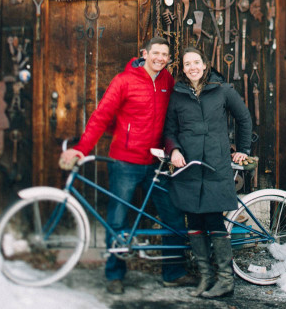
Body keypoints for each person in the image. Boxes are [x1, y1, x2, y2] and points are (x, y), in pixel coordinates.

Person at [58, 37, 193, 294]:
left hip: (157, 163)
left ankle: (173, 273)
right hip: (124, 162)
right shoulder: (124, 80)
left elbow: (173, 118)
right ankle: (114, 275)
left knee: (173, 216)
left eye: (165, 55)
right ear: (144, 53)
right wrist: (81, 149)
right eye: (156, 53)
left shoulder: (167, 81)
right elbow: (101, 117)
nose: (160, 58)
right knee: (117, 220)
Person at [163, 46, 253, 298]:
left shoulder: (222, 90)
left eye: (196, 62)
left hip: (215, 165)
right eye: (187, 64)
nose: (192, 67)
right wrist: (174, 150)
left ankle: (225, 280)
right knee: (193, 221)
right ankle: (205, 278)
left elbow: (244, 119)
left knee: (214, 220)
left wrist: (243, 149)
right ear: (183, 68)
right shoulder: (177, 95)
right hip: (188, 167)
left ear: (205, 65)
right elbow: (169, 131)